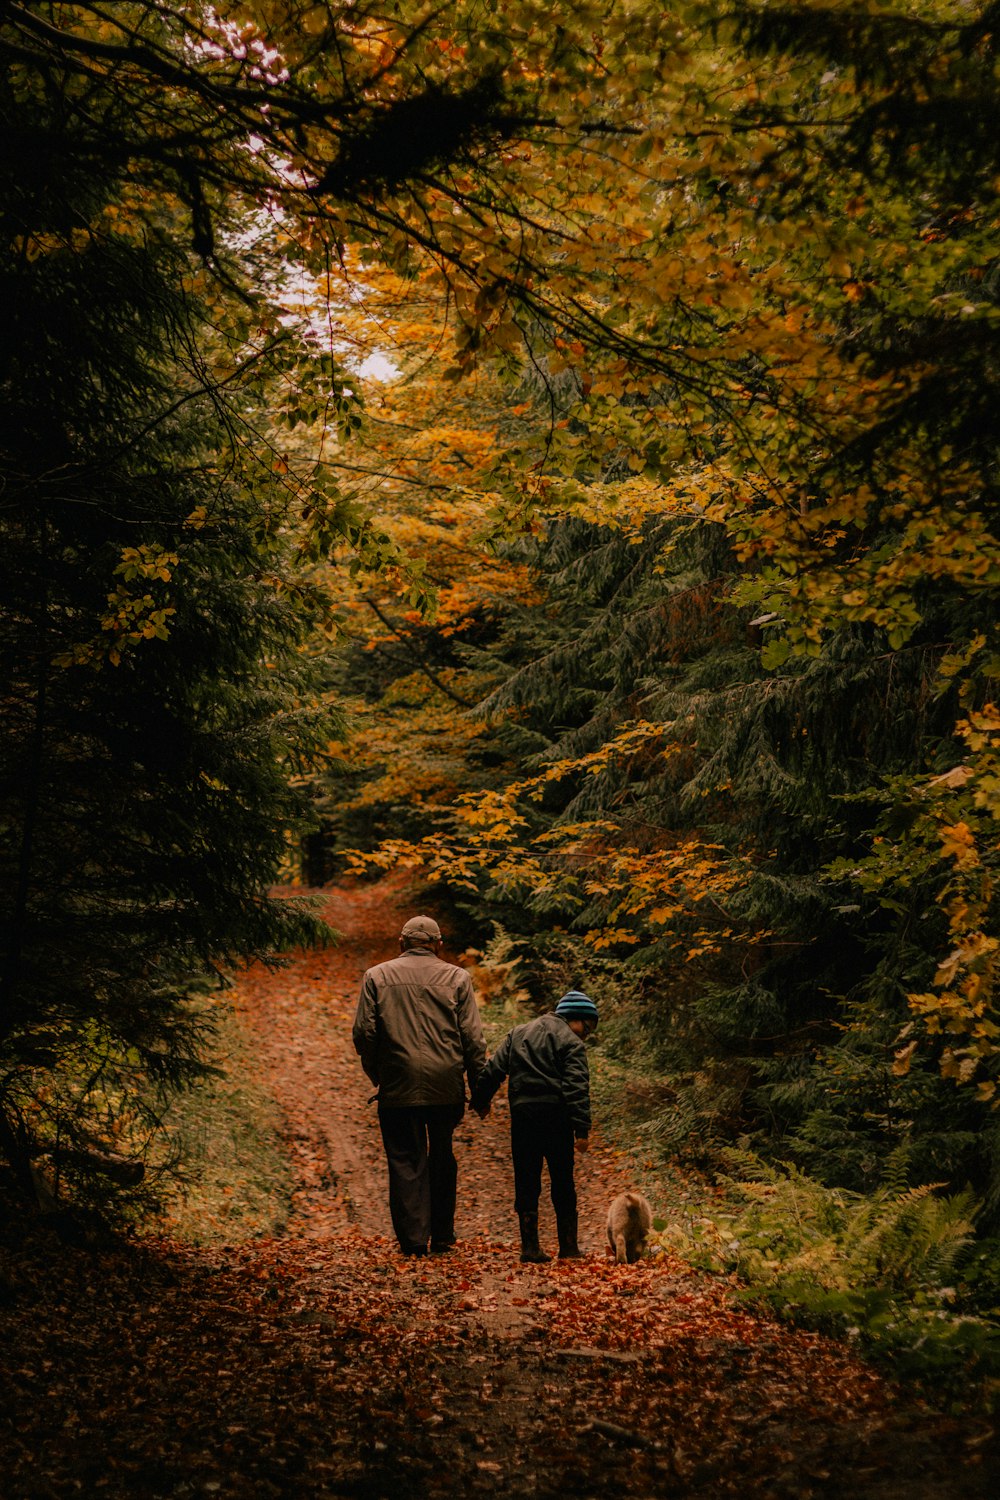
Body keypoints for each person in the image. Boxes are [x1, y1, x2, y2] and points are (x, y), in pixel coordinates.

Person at [352, 914, 485, 1256]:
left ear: (402, 943)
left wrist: (378, 1072)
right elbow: (472, 1037)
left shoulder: (376, 976)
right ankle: (442, 1235)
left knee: (405, 1159)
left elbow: (364, 1033)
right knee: (442, 1155)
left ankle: (413, 1240)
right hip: (446, 1084)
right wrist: (480, 1088)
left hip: (399, 1083)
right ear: (438, 945)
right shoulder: (457, 978)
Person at [472, 990, 598, 1263]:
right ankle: (568, 1247)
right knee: (562, 1180)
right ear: (574, 1019)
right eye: (587, 1027)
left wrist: (481, 1100)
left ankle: (530, 1247)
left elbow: (493, 1069)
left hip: (524, 1117)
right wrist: (582, 1130)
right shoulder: (571, 1043)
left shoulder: (518, 1033)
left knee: (526, 1178)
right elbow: (577, 1088)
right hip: (557, 1118)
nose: (586, 1034)